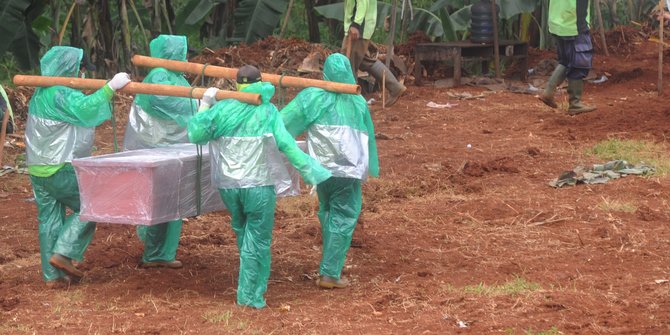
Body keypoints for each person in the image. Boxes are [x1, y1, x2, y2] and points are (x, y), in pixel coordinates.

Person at [187, 65, 332, 308]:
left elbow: (196, 134)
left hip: (229, 186)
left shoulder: (222, 109)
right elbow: (287, 145)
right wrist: (312, 172)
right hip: (258, 186)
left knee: (243, 232)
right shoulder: (267, 111)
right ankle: (249, 297)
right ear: (260, 81)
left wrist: (204, 105)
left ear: (237, 85)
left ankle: (248, 282)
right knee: (257, 239)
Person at [26, 46, 130, 287]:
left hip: (37, 168)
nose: (82, 74)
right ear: (70, 69)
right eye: (81, 69)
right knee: (93, 204)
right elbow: (86, 109)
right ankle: (63, 253)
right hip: (58, 166)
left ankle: (53, 277)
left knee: (49, 219)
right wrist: (110, 88)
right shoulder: (60, 94)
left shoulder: (40, 93)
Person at [280, 53, 379, 289]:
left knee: (327, 210)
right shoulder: (358, 101)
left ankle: (330, 261)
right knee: (344, 216)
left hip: (320, 170)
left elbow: (283, 123)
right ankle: (330, 273)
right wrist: (372, 167)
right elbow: (369, 137)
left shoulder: (312, 97)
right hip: (348, 172)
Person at [123, 34, 197, 269]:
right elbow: (168, 101)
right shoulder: (159, 76)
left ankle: (163, 253)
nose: (184, 56)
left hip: (171, 147)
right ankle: (154, 252)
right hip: (158, 146)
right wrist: (201, 103)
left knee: (174, 201)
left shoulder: (175, 77)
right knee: (162, 200)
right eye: (182, 51)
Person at [343, 0, 406, 107]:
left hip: (358, 28)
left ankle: (351, 101)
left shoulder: (357, 25)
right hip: (360, 25)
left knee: (348, 63)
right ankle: (395, 87)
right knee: (364, 61)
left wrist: (356, 24)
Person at [539, 0, 596, 115]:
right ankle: (575, 103)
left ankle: (549, 92)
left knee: (566, 60)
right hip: (573, 24)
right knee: (579, 62)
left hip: (558, 22)